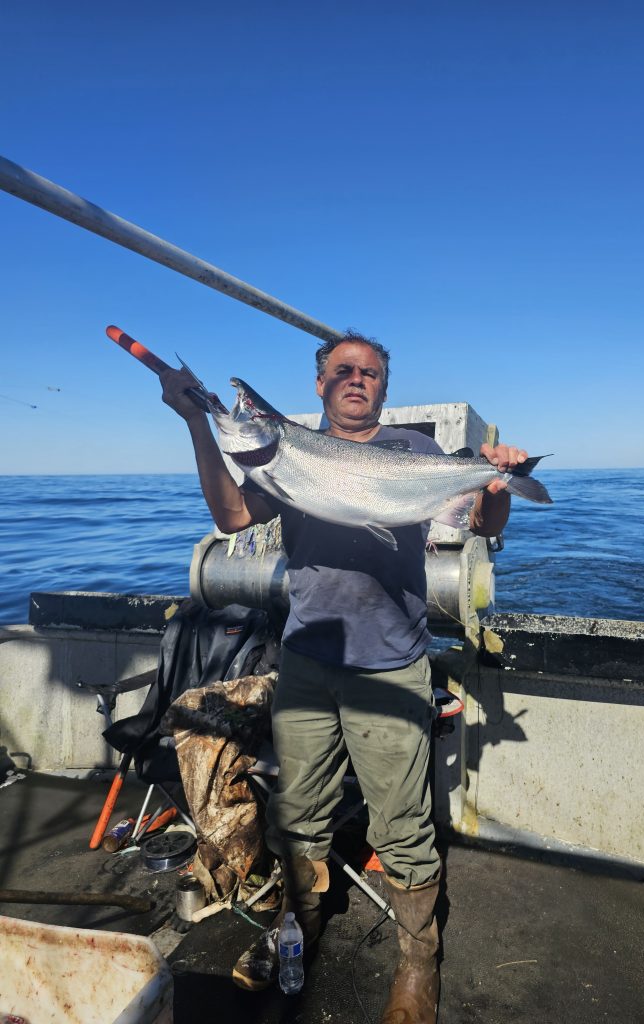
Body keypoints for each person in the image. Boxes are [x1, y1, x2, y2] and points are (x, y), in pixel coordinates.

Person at [160, 331, 528, 1024]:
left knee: (402, 824)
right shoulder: (286, 453)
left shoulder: (415, 454)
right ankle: (298, 920)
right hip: (305, 662)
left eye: (370, 373)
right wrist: (197, 425)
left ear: (383, 389)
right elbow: (230, 516)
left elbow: (481, 519)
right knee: (298, 814)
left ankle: (419, 959)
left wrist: (497, 478)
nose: (356, 380)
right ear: (321, 383)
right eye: (342, 371)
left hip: (391, 667)